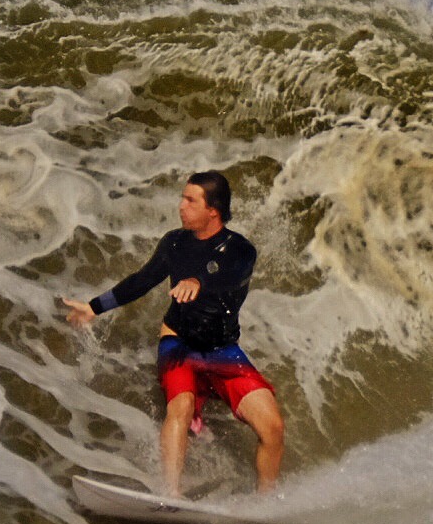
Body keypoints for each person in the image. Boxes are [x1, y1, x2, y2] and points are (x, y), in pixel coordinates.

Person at [62, 171, 285, 496]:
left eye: (191, 200)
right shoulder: (175, 243)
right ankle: (171, 494)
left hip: (222, 351)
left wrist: (198, 282)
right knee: (180, 408)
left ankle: (266, 503)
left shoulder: (240, 250)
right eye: (182, 198)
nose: (181, 206)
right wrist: (94, 307)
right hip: (178, 343)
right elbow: (141, 281)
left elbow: (228, 276)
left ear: (213, 210)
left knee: (272, 427)